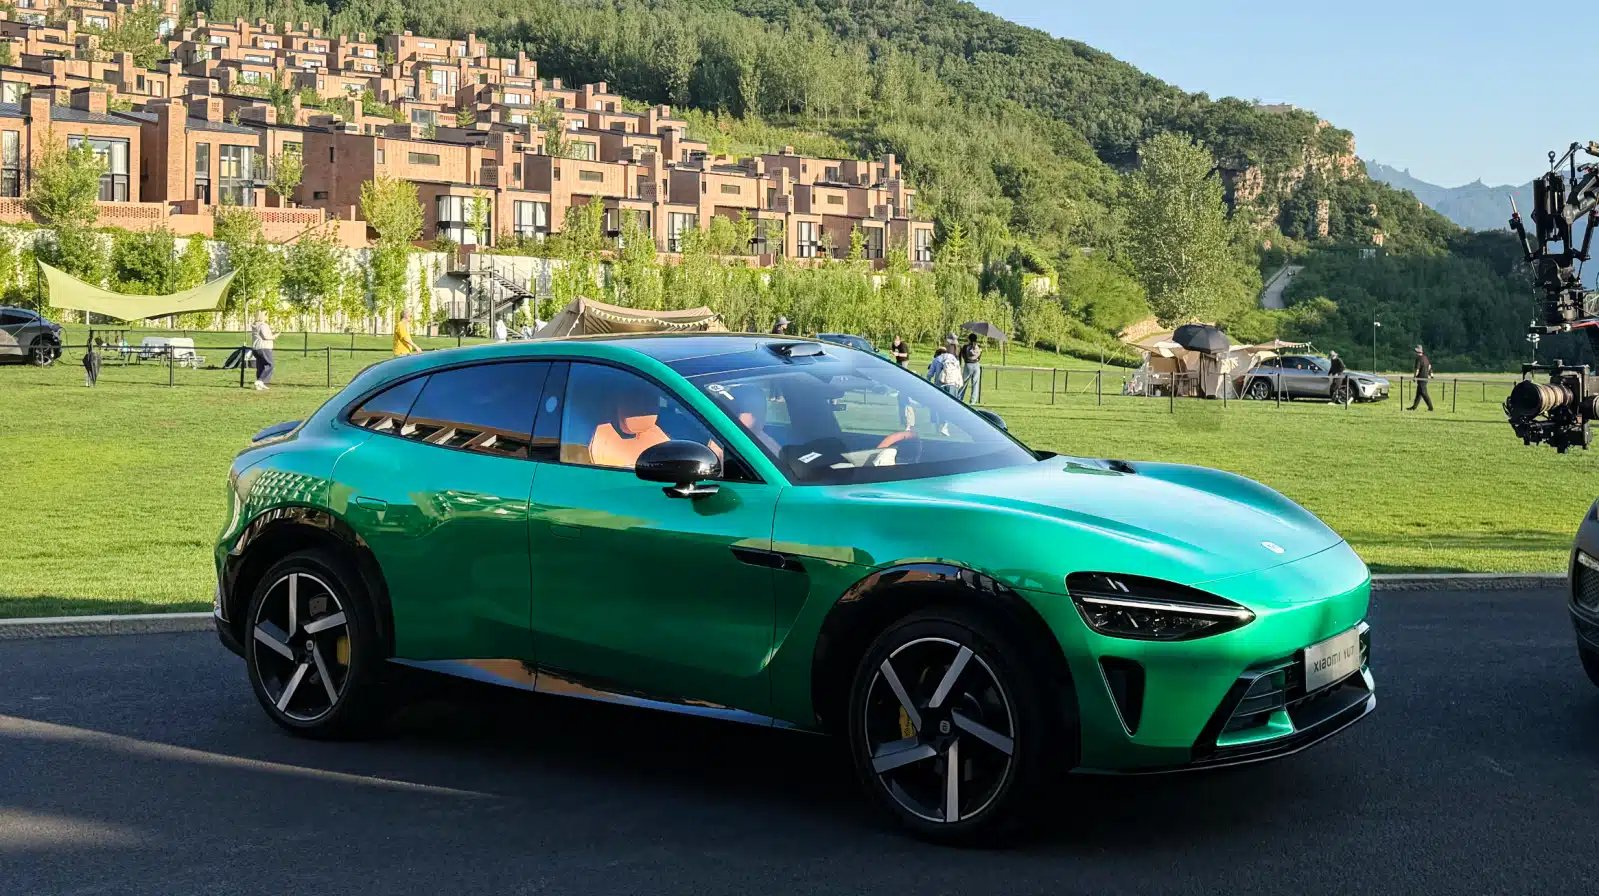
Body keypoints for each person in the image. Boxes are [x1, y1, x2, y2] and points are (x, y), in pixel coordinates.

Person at [249, 311, 275, 391]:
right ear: (263, 316)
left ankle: (260, 384)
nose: (267, 317)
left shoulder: (255, 325)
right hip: (264, 348)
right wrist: (274, 337)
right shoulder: (263, 325)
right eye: (266, 315)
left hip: (256, 348)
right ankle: (260, 381)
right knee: (270, 365)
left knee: (260, 366)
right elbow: (265, 336)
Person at [960, 333, 984, 403]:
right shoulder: (979, 347)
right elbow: (979, 357)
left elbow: (963, 356)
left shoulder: (965, 347)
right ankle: (973, 401)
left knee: (964, 382)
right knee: (975, 384)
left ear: (969, 339)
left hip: (968, 365)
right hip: (976, 365)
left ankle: (960, 397)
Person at [1409, 344, 1434, 411]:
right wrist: (1431, 374)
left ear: (1417, 351)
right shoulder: (1425, 358)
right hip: (1425, 378)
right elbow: (1429, 367)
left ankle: (1430, 408)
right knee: (1418, 394)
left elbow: (1417, 369)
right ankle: (1414, 407)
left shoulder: (1418, 359)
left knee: (1424, 393)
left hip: (1421, 378)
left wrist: (1414, 377)